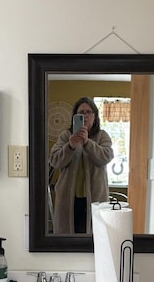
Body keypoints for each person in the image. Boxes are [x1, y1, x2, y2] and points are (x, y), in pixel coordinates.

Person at [49, 97, 114, 234]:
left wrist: (87, 142)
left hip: (96, 200)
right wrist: (70, 146)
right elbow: (54, 160)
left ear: (95, 117)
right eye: (81, 112)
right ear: (74, 116)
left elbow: (106, 157)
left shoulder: (102, 136)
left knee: (95, 240)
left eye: (89, 112)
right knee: (67, 240)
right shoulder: (66, 136)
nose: (85, 115)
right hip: (68, 200)